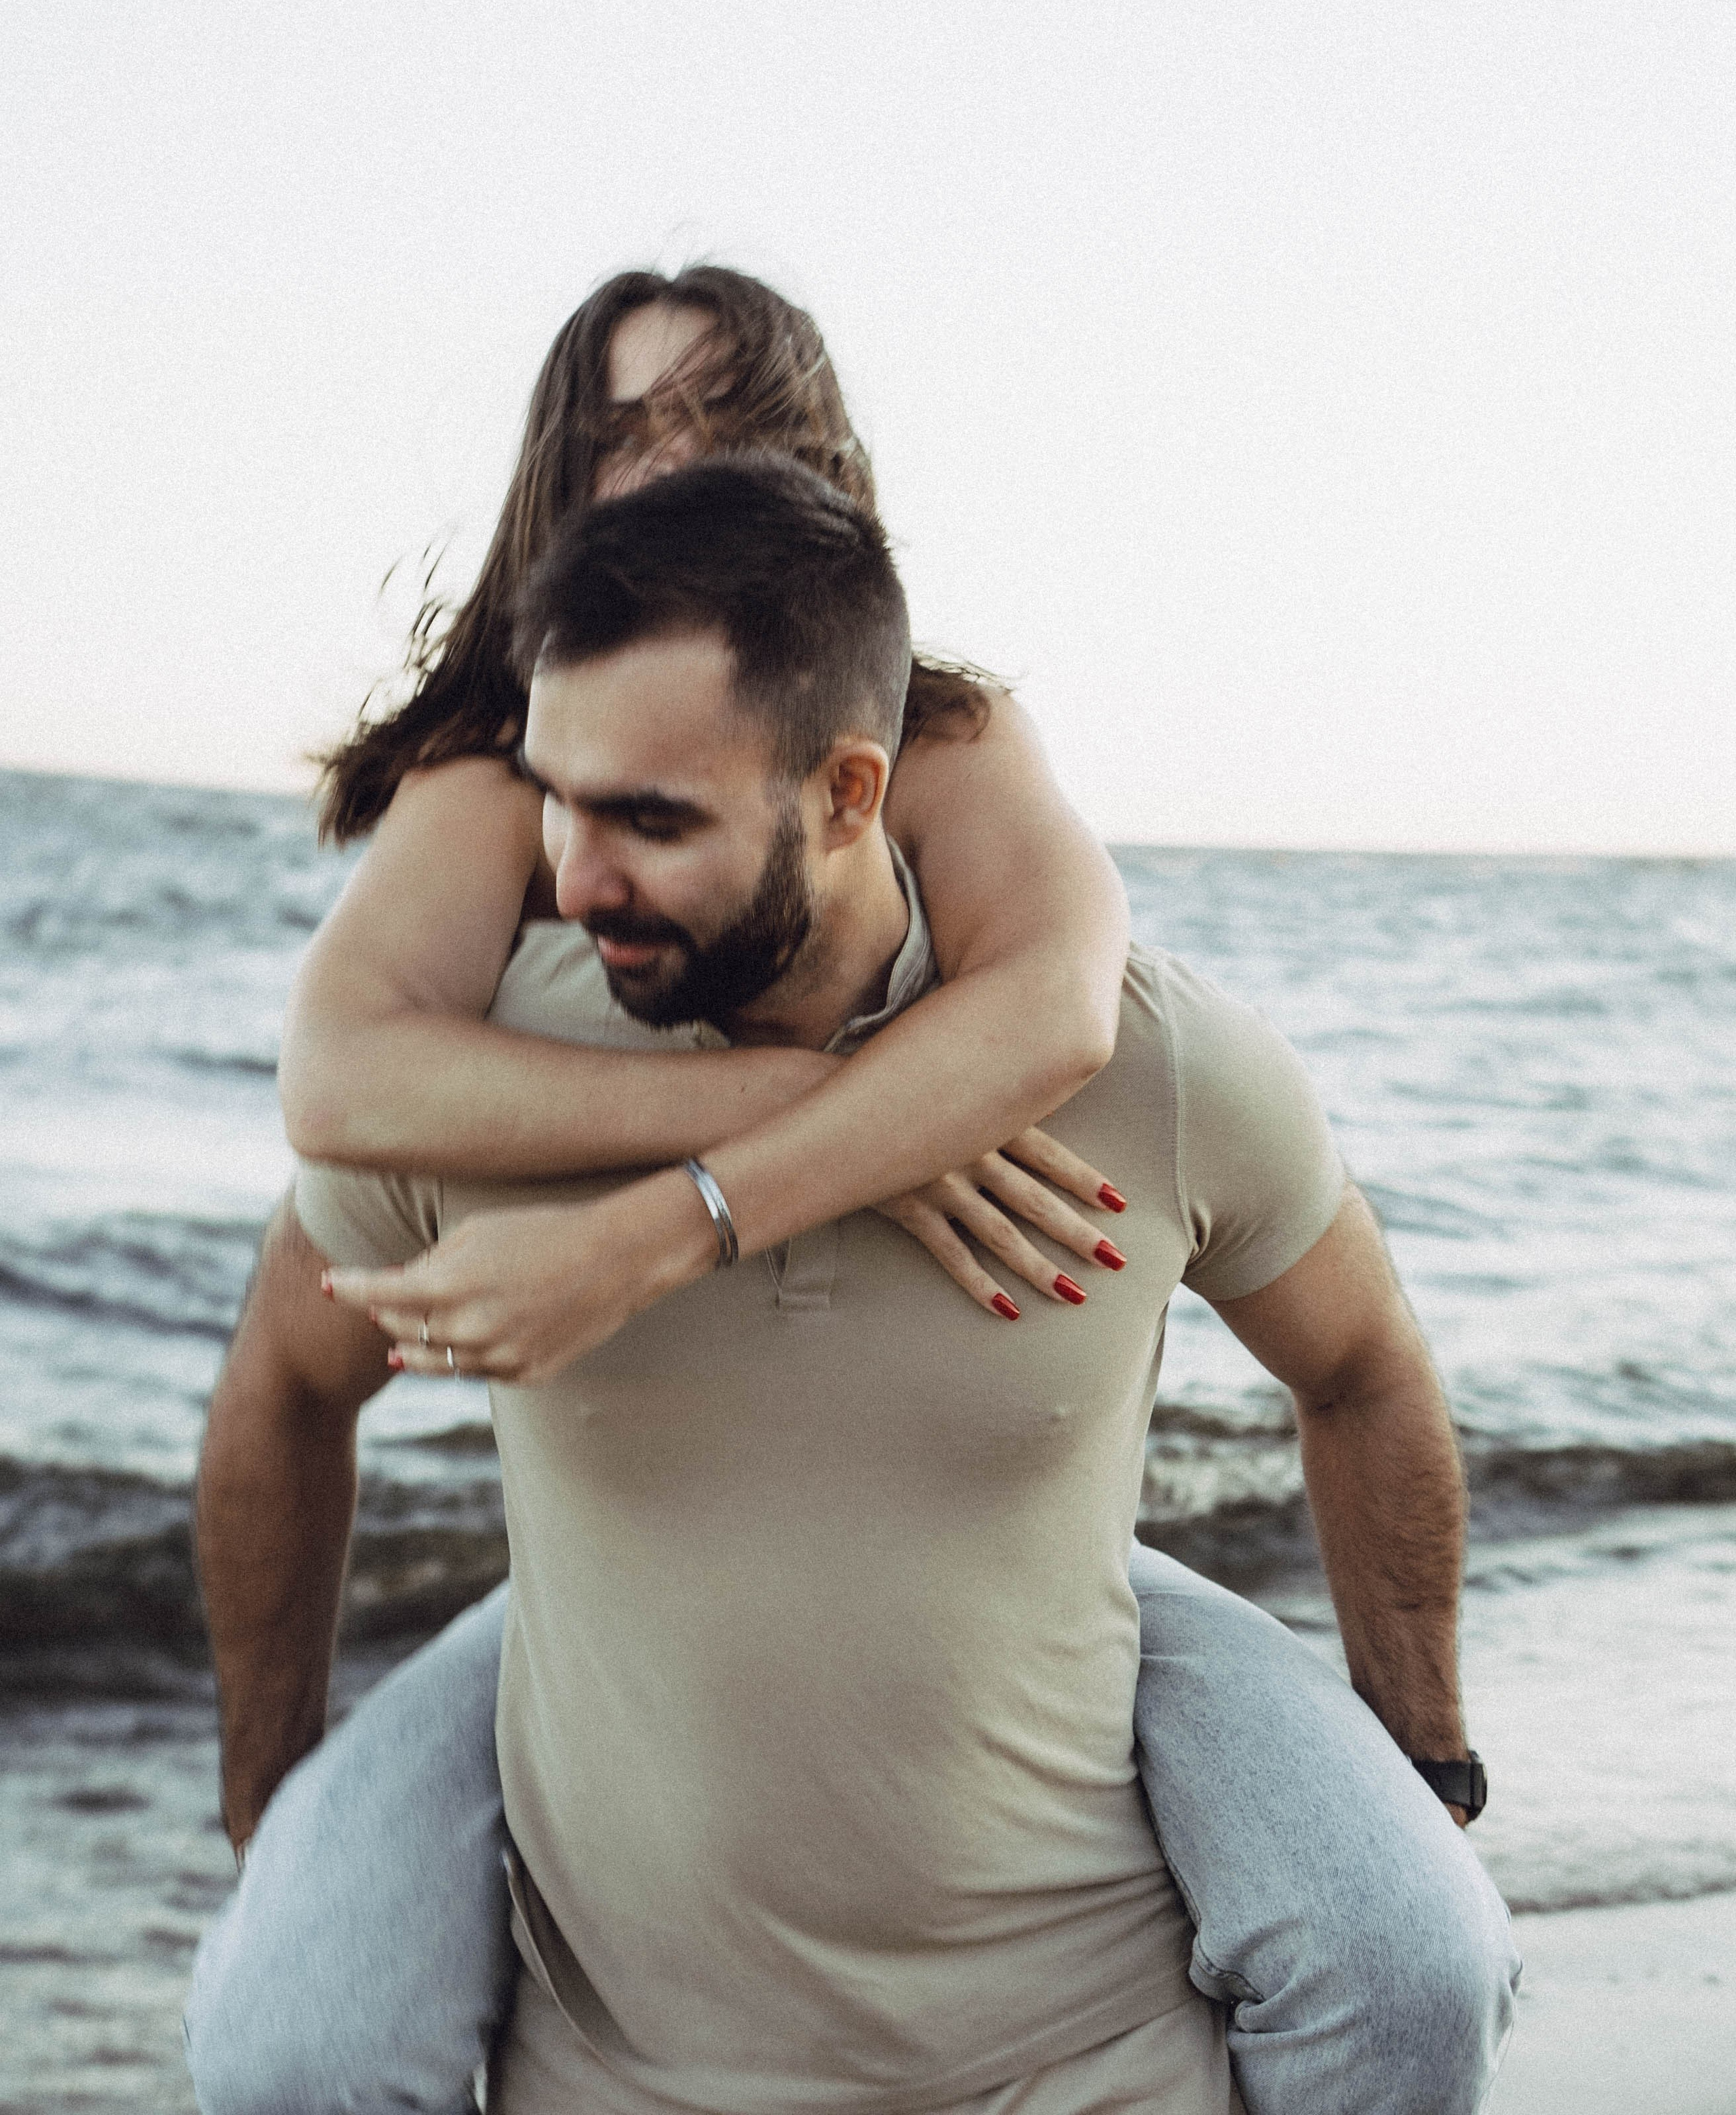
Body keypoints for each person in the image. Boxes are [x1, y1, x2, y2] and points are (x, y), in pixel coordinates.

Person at [187, 433, 1516, 2110]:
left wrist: (1420, 1770)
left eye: (650, 821)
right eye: (554, 802)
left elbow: (1362, 1366)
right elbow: (281, 1392)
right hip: (617, 2078)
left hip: (1100, 2068)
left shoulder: (1148, 1072)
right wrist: (277, 1821)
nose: (573, 878)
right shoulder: (485, 1092)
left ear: (846, 793)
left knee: (1422, 1967)